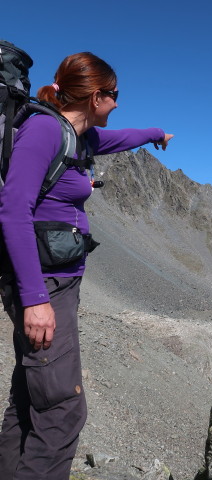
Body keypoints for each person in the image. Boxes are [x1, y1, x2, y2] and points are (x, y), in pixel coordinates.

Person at [0, 51, 173, 479]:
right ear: (96, 97)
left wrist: (156, 134)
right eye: (115, 95)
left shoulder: (80, 136)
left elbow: (123, 138)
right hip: (45, 287)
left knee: (28, 398)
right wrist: (36, 300)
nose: (118, 103)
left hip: (57, 282)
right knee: (62, 412)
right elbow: (12, 211)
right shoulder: (44, 131)